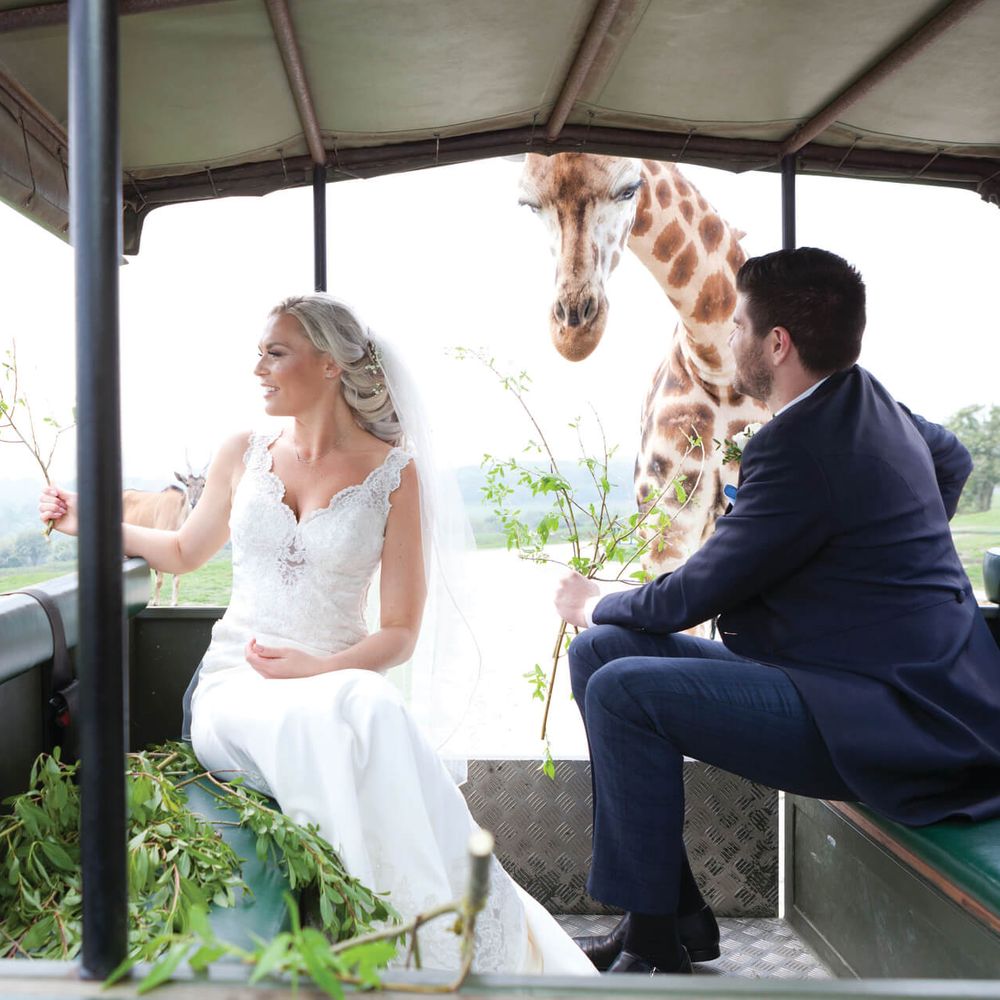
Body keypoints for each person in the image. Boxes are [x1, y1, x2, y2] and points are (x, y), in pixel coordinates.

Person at [40, 293, 596, 976]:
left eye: (276, 352)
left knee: (371, 705)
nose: (258, 369)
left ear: (330, 365)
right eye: (260, 353)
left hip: (332, 683)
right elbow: (185, 550)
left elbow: (398, 634)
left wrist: (317, 667)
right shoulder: (241, 453)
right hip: (234, 688)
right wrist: (84, 519)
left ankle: (445, 936)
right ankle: (410, 944)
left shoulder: (395, 473)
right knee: (360, 711)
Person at [554, 248, 1000, 975]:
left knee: (620, 684)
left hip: (893, 720)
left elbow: (695, 594)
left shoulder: (800, 445)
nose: (729, 341)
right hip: (887, 687)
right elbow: (950, 461)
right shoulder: (869, 398)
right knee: (596, 655)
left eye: (738, 327)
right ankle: (673, 918)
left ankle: (651, 942)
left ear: (778, 343)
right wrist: (881, 565)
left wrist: (594, 601)